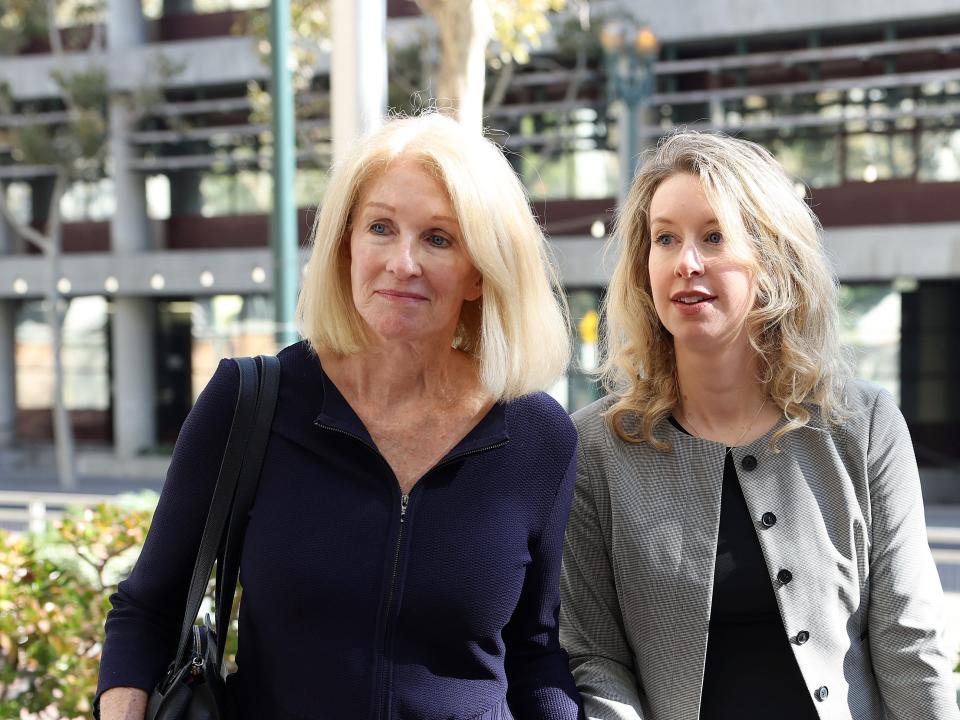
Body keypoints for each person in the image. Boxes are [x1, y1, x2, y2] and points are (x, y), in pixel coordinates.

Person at [97, 112, 585, 720]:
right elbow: (148, 609)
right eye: (381, 227)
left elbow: (536, 652)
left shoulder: (538, 436)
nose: (402, 262)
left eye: (439, 238)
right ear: (345, 247)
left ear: (480, 273)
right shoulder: (251, 401)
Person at [560, 131, 960, 720]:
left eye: (714, 237)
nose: (685, 262)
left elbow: (909, 640)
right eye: (665, 239)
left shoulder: (863, 425)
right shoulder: (595, 448)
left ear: (772, 259)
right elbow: (593, 658)